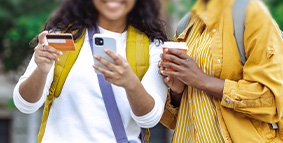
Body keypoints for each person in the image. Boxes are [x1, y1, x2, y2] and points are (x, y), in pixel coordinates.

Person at [13, 0, 168, 142]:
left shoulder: (153, 47)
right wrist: (41, 70)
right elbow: (25, 105)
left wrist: (132, 84)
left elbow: (149, 119)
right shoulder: (61, 36)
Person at [159, 0, 283, 142]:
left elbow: (271, 100)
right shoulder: (186, 24)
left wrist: (202, 81)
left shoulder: (252, 15)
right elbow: (174, 120)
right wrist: (177, 91)